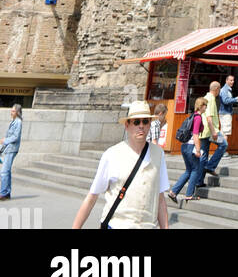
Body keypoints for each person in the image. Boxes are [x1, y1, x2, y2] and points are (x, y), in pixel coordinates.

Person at [72, 102, 169, 230]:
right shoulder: (112, 154)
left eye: (145, 121)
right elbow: (92, 196)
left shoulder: (158, 154)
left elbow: (160, 198)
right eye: (136, 122)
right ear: (127, 125)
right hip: (118, 225)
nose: (141, 126)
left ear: (150, 124)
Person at [168, 96, 207, 205]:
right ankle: (189, 194)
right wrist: (198, 150)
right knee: (195, 169)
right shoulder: (198, 117)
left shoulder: (192, 115)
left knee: (188, 170)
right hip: (191, 146)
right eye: (205, 106)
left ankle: (173, 192)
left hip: (184, 146)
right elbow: (195, 134)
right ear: (201, 106)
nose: (206, 108)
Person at [0, 104, 22, 199]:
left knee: (4, 171)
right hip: (8, 148)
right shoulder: (14, 122)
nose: (11, 112)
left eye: (13, 111)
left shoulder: (18, 122)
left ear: (17, 112)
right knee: (7, 171)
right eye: (11, 111)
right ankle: (7, 192)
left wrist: (5, 140)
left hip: (12, 149)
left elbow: (15, 137)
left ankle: (4, 193)